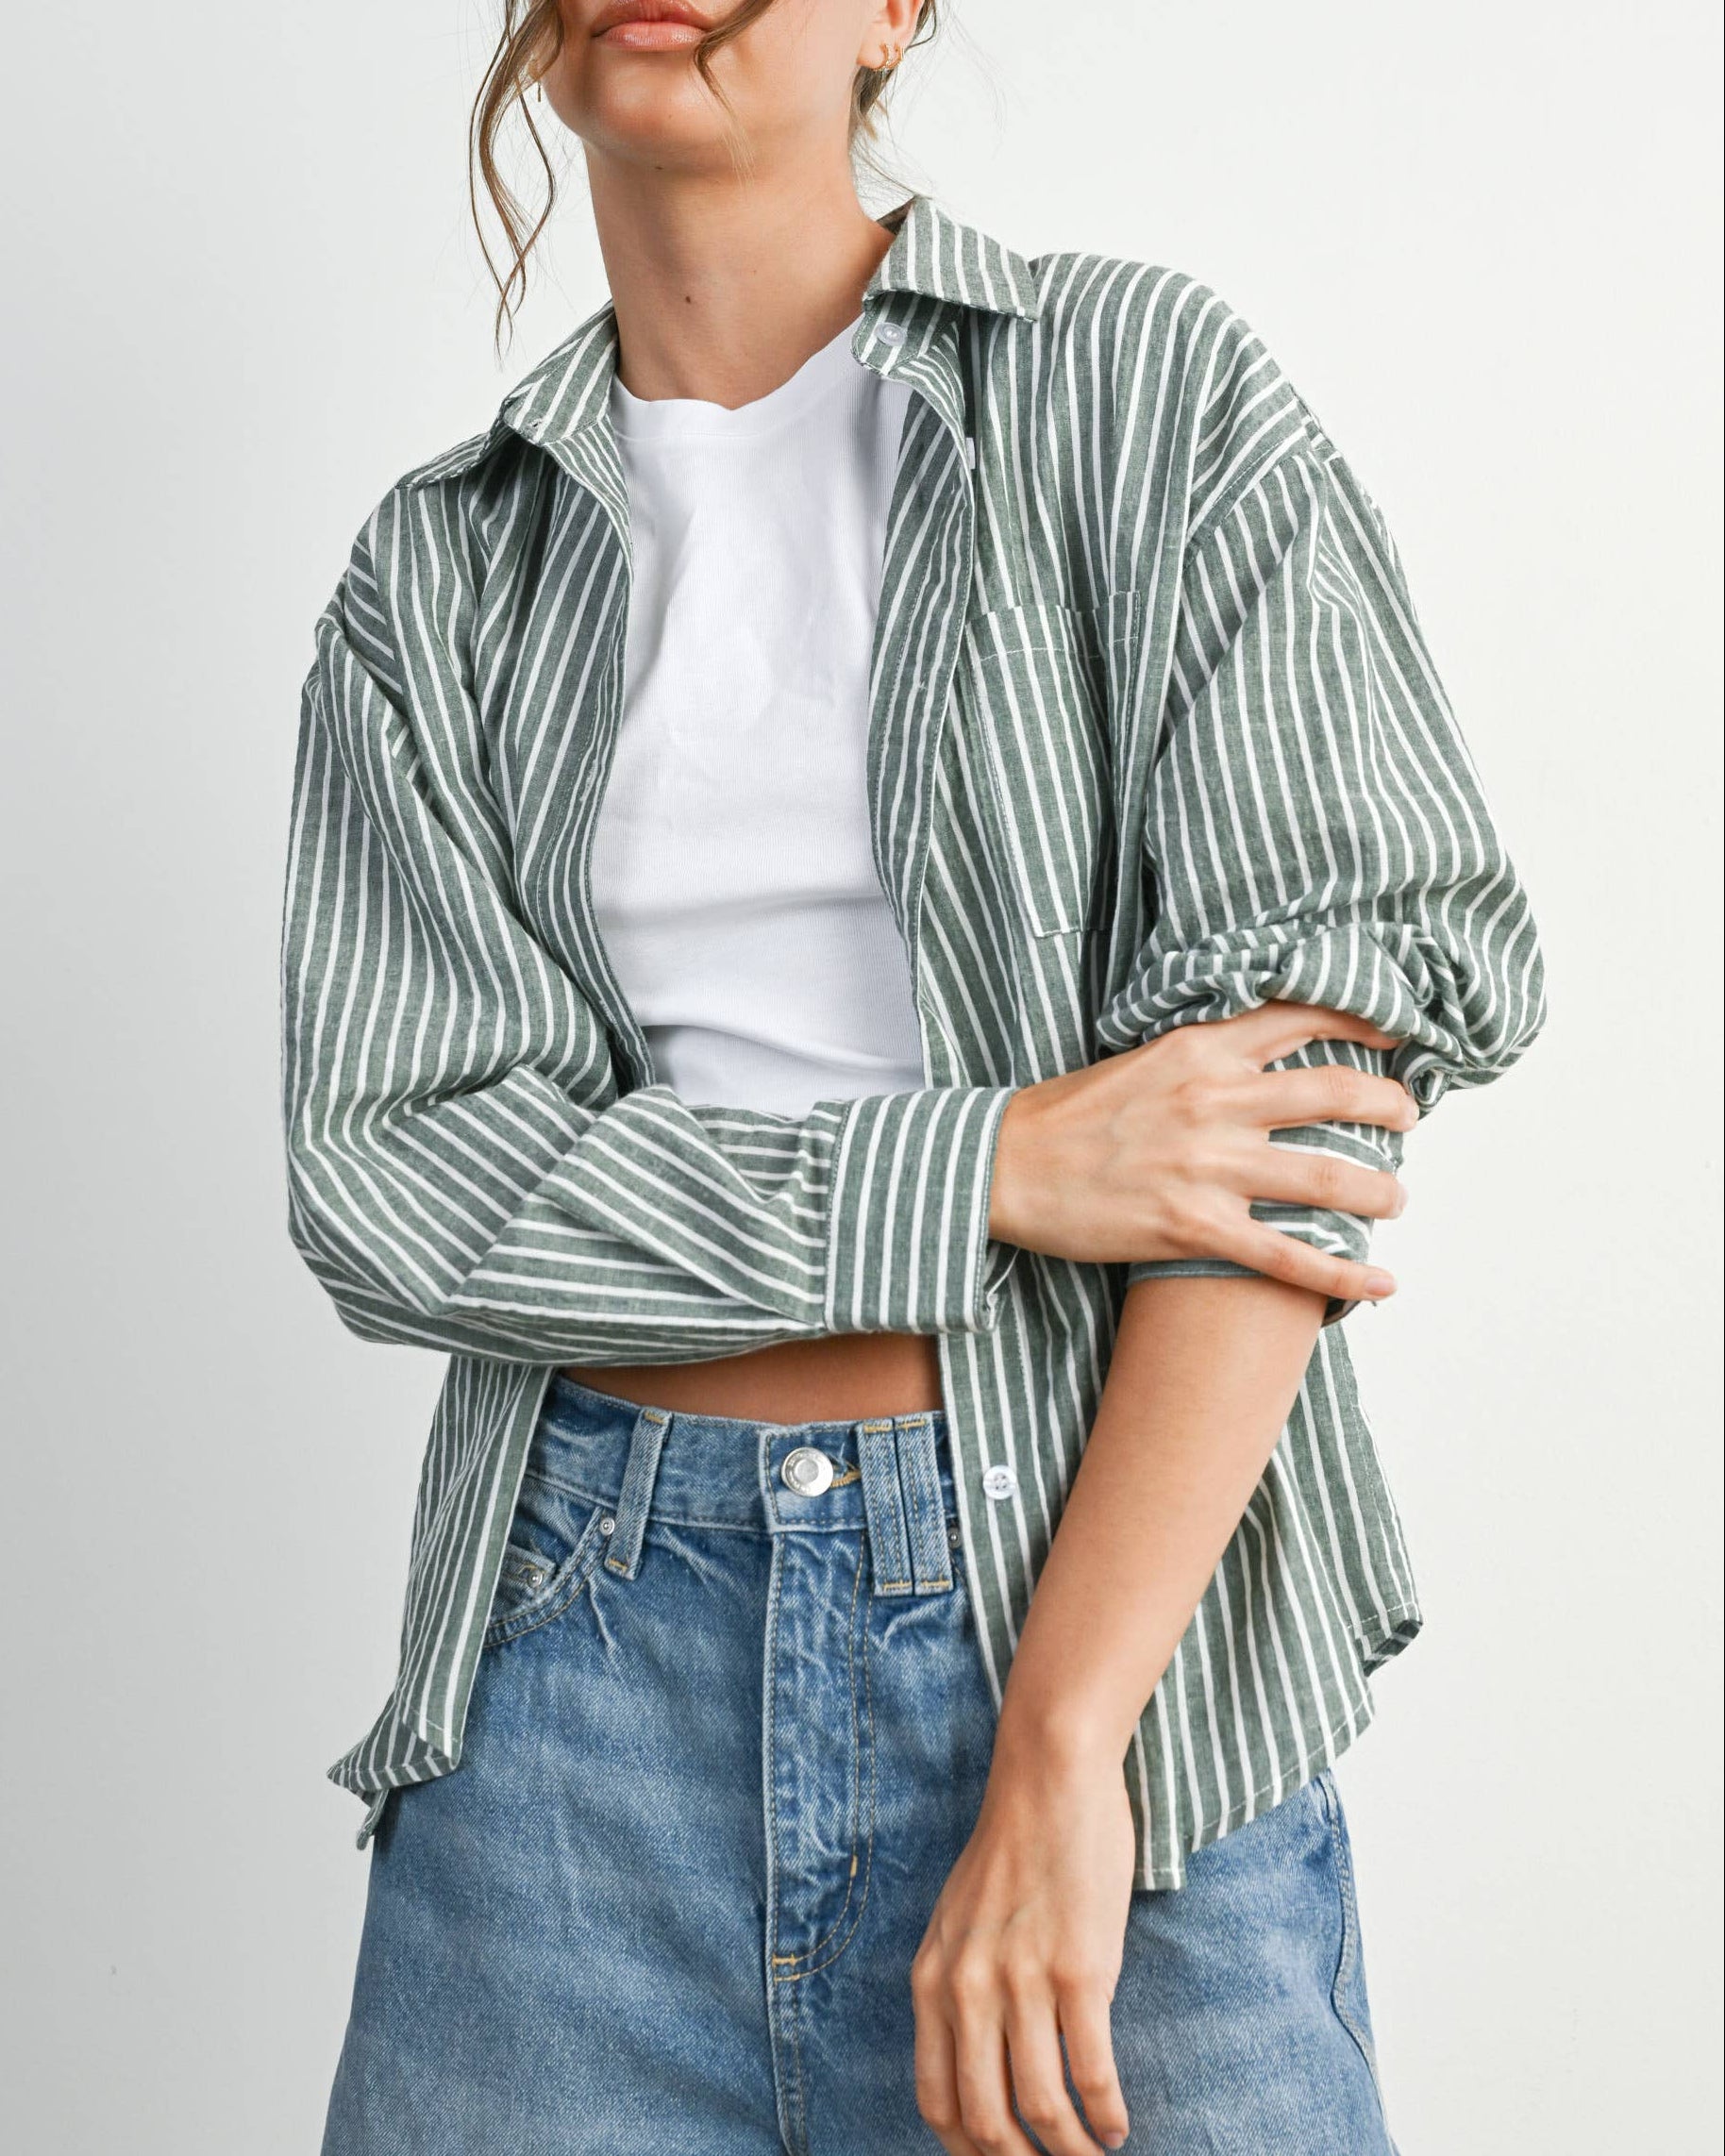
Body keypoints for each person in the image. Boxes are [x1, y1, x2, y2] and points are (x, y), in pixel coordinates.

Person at [282, 3, 1545, 2150]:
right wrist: (990, 1165)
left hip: (1107, 1650)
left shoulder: (1135, 392)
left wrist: (1063, 1741)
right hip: (575, 1699)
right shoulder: (443, 570)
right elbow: (397, 1176)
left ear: (894, 10)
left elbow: (1305, 1077)